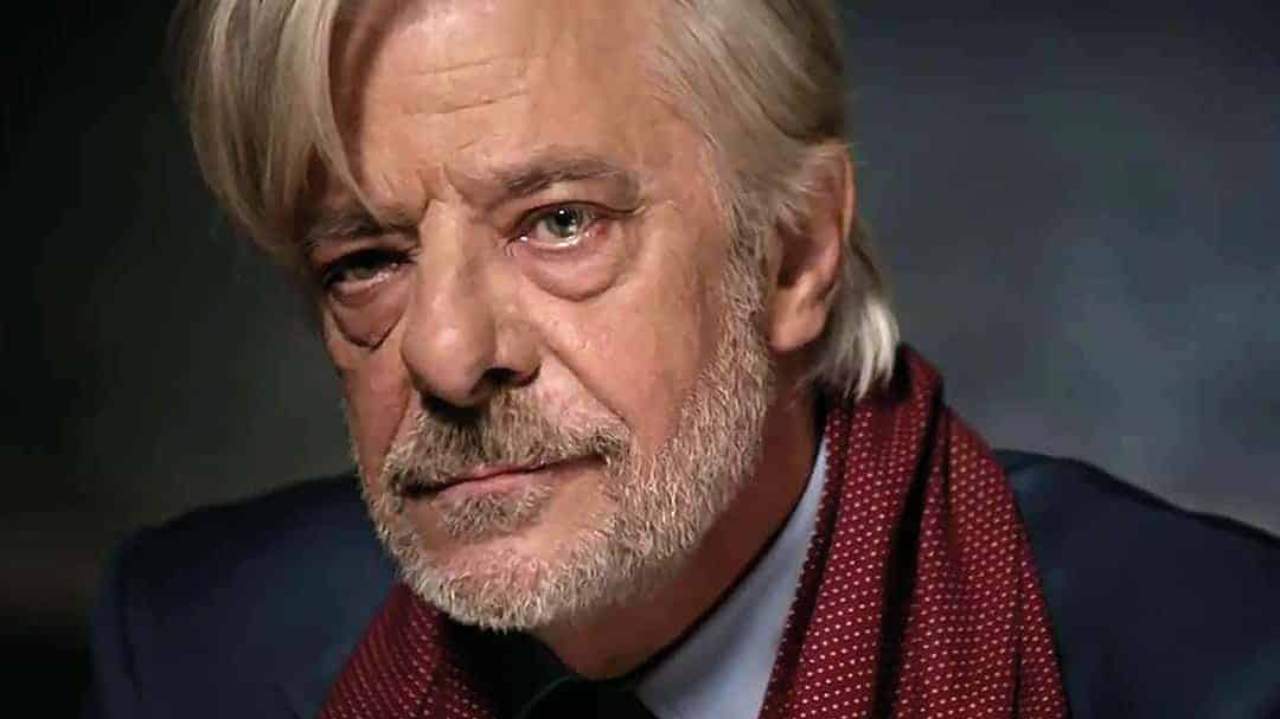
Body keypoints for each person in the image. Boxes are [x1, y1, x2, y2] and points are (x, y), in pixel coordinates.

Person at [86, 0, 1280, 717]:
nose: (445, 353)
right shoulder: (197, 647)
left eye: (560, 221)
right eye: (366, 258)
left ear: (792, 256)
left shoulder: (1225, 666)